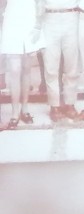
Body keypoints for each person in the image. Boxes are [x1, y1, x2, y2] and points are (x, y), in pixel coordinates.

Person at [0, 0, 44, 129]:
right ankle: (14, 112)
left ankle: (25, 109)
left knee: (26, 68)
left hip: (29, 21)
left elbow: (40, 3)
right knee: (15, 69)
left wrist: (38, 25)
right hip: (11, 22)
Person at [36, 0, 80, 122]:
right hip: (50, 17)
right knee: (51, 67)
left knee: (72, 66)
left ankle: (70, 103)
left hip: (71, 17)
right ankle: (54, 105)